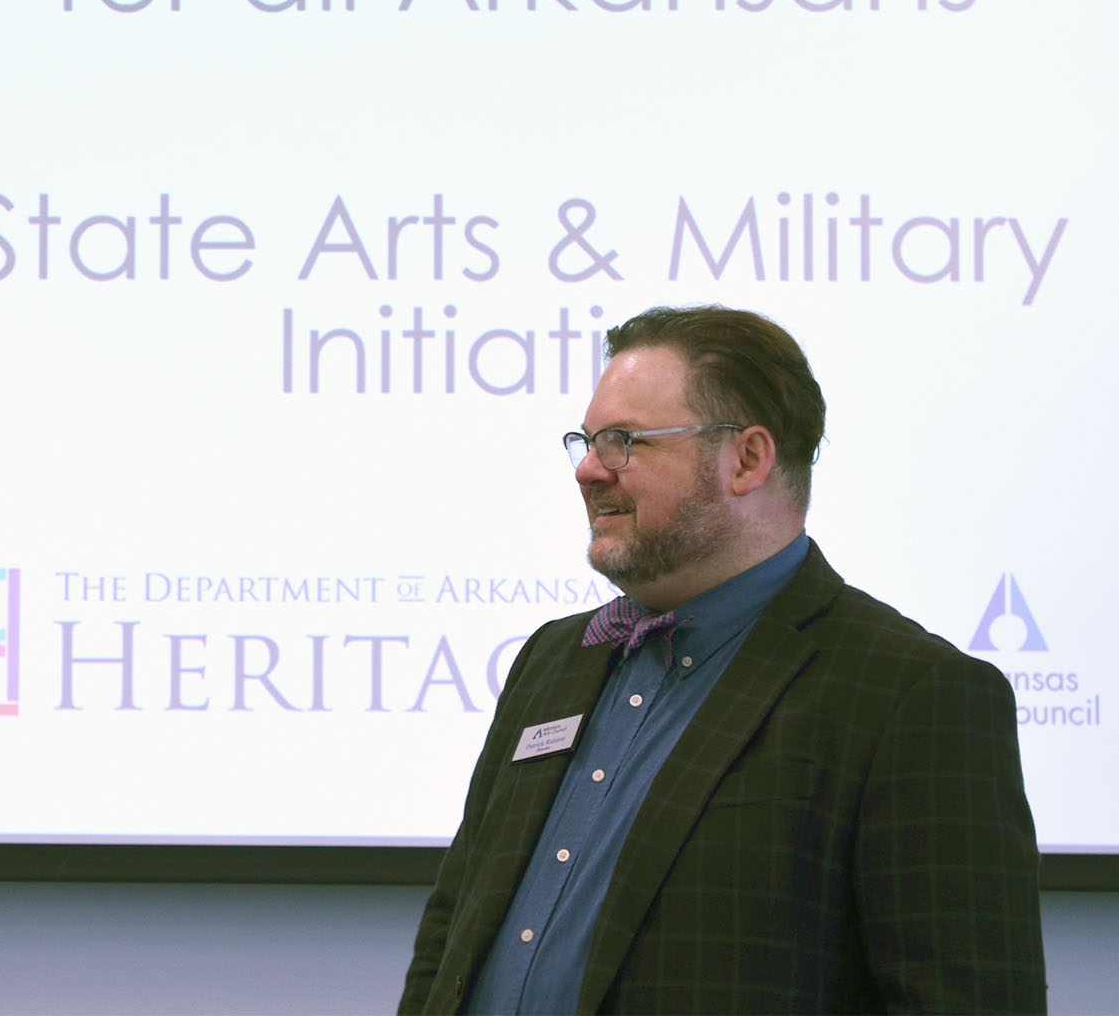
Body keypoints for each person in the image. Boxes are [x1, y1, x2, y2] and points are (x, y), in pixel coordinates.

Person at [399, 305, 1044, 1015]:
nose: (587, 468)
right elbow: (453, 928)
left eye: (622, 441)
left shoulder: (908, 694)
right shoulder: (553, 659)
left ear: (746, 458)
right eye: (585, 440)